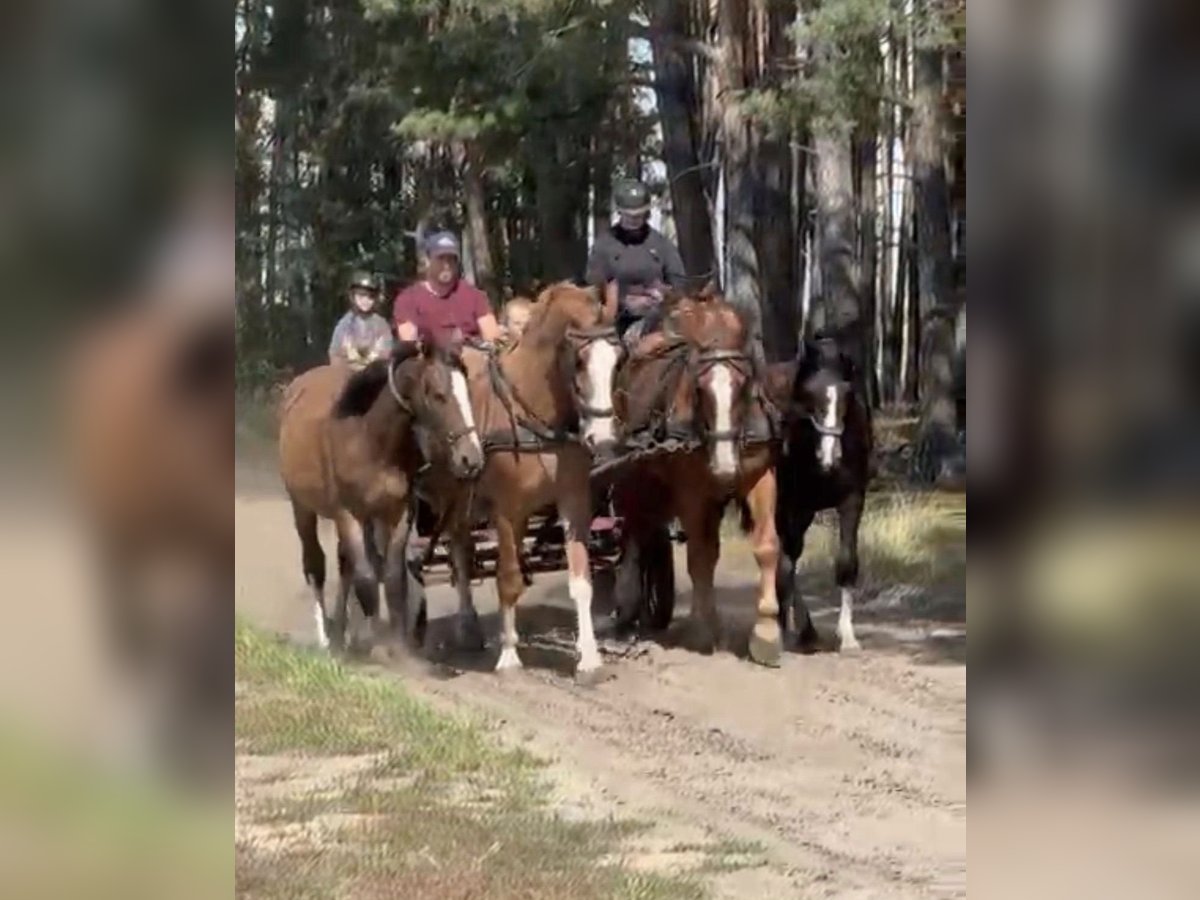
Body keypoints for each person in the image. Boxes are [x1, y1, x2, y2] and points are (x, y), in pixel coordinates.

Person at [585, 179, 686, 343]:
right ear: (619, 212)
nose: (634, 220)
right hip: (616, 322)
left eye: (639, 215)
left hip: (658, 320)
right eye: (629, 215)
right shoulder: (604, 245)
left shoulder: (661, 244)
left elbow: (679, 283)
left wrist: (662, 294)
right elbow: (594, 288)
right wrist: (624, 301)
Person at [393, 231, 501, 346]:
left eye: (451, 259)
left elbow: (492, 340)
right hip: (429, 355)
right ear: (427, 261)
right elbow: (410, 344)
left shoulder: (475, 297)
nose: (446, 265)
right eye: (441, 258)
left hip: (471, 353)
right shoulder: (408, 300)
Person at [328, 271, 394, 368]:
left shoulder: (381, 324)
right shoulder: (345, 324)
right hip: (348, 372)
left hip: (374, 372)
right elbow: (334, 353)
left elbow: (386, 353)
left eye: (370, 297)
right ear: (353, 296)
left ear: (376, 299)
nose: (365, 301)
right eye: (361, 296)